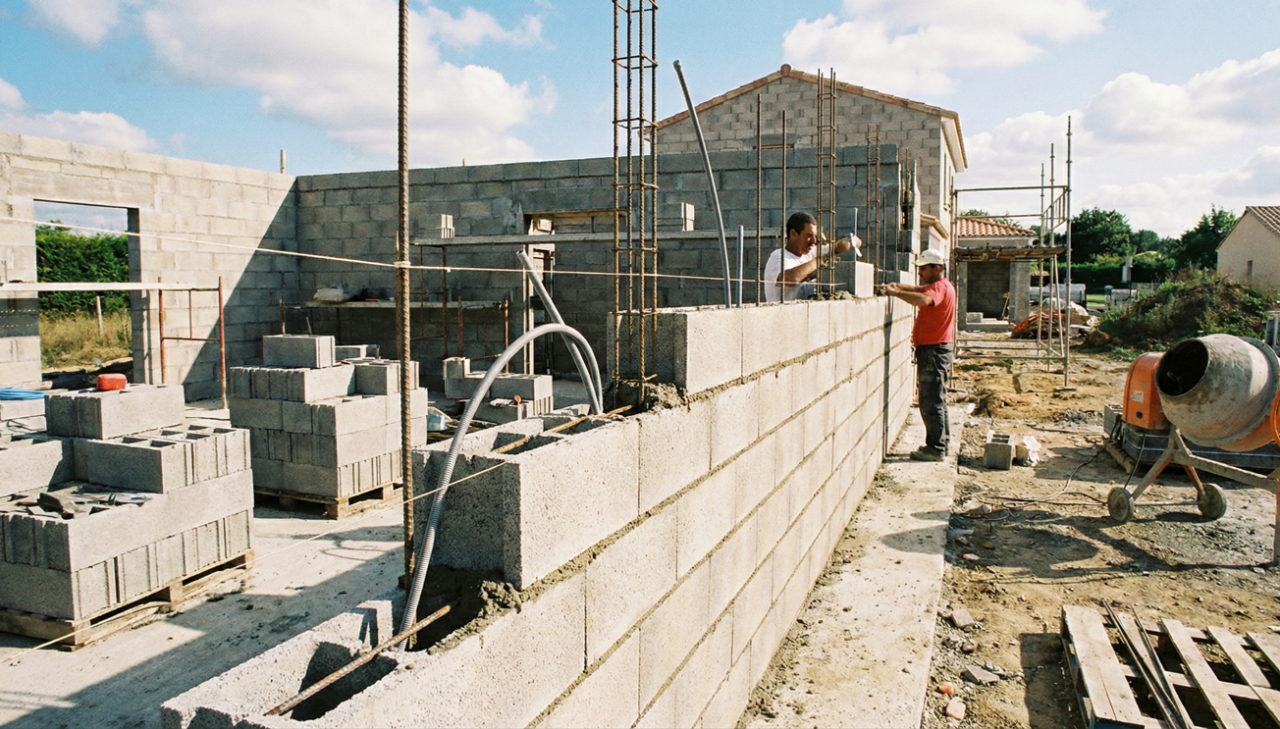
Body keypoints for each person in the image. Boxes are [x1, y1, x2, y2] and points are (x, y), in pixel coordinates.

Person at [882, 248, 956, 462]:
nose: (920, 272)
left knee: (931, 402)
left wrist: (896, 294)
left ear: (937, 269)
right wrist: (897, 286)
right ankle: (941, 444)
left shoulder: (939, 288)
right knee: (937, 400)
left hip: (934, 352)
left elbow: (923, 299)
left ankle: (935, 449)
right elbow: (917, 289)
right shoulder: (939, 285)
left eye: (924, 268)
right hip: (935, 351)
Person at [764, 211, 856, 303]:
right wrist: (820, 260)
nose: (814, 241)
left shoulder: (811, 252)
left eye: (815, 236)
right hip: (784, 311)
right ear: (793, 234)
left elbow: (838, 247)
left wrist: (851, 240)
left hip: (806, 309)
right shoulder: (778, 257)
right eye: (809, 235)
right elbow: (792, 278)